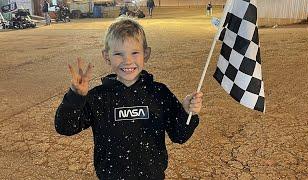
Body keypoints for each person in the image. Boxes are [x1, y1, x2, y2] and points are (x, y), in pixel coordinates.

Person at [55, 17, 203, 180]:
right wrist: (75, 96)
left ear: (146, 54)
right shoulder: (98, 97)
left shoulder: (159, 93)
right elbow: (65, 127)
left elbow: (179, 135)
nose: (127, 60)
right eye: (118, 54)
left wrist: (187, 112)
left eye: (135, 52)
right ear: (106, 56)